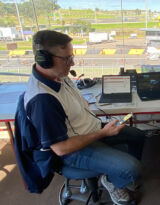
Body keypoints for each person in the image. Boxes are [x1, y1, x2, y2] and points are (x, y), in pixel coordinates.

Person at [24, 30, 145, 205]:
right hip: (72, 151)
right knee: (132, 168)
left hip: (91, 128)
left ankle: (118, 174)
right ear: (45, 60)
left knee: (138, 136)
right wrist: (102, 134)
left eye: (72, 57)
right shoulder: (43, 101)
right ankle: (113, 181)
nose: (72, 63)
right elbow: (61, 149)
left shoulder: (58, 75)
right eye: (67, 59)